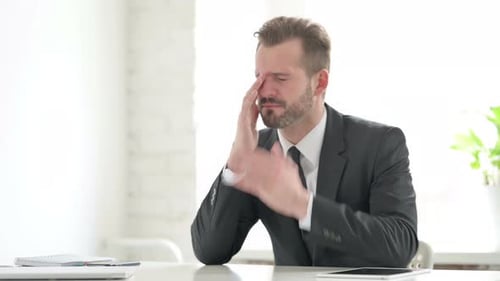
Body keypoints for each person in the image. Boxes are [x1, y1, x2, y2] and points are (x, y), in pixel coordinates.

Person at [191, 16, 418, 267]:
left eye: (280, 78)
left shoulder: (379, 145)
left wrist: (303, 206)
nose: (265, 91)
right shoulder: (259, 152)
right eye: (259, 77)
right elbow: (209, 251)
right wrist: (236, 160)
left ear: (320, 82)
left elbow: (401, 245)